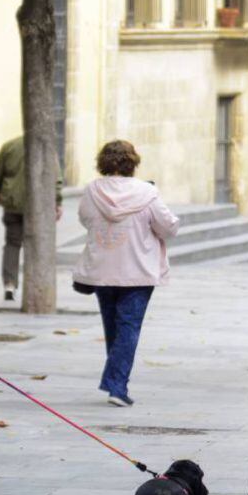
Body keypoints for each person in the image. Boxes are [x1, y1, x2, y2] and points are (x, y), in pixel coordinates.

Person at [73, 140, 179, 407]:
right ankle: (117, 387)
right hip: (138, 270)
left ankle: (115, 382)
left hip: (102, 270)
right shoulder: (147, 193)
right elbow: (167, 227)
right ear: (133, 163)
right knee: (129, 327)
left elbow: (85, 219)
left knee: (113, 327)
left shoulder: (92, 190)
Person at [0, 135, 64, 301]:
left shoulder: (9, 145)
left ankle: (9, 283)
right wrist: (57, 201)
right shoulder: (46, 147)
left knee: (12, 244)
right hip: (39, 205)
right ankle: (37, 284)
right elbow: (56, 178)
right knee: (37, 244)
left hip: (13, 202)